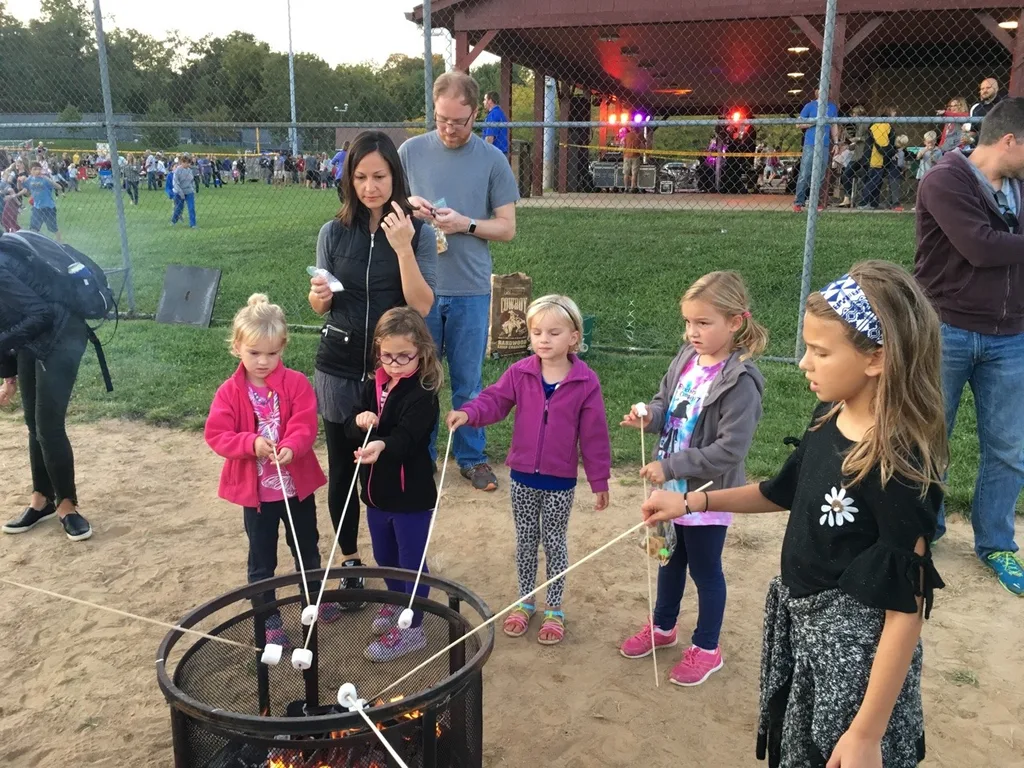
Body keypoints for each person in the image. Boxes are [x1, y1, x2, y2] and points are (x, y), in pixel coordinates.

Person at [642, 261, 947, 767]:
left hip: (855, 659)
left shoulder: (901, 462)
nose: (804, 363)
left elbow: (904, 611)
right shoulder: (830, 413)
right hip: (803, 629)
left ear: (877, 358)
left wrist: (868, 734)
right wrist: (692, 501)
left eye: (821, 352)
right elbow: (783, 490)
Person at [619, 272, 767, 685]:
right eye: (688, 322)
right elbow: (666, 403)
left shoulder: (742, 382)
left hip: (708, 495)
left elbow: (730, 451)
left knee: (704, 570)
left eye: (704, 323)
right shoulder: (686, 358)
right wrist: (648, 416)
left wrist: (672, 466)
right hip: (671, 490)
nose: (693, 332)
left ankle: (707, 647)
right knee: (668, 559)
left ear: (736, 321)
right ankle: (663, 628)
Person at [308, 131, 437, 606]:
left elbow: (422, 305)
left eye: (379, 176)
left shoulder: (417, 231)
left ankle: (408, 553)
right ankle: (351, 561)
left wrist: (403, 247)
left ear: (395, 176)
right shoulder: (333, 232)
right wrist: (318, 298)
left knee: (403, 458)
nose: (370, 187)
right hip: (341, 368)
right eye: (360, 177)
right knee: (345, 467)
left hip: (398, 370)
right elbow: (322, 301)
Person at [447, 295, 611, 645]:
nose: (543, 339)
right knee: (525, 541)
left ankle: (554, 608)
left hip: (560, 481)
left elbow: (595, 435)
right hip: (522, 476)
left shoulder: (586, 381)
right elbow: (494, 400)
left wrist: (599, 480)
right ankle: (525, 602)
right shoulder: (520, 372)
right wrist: (469, 414)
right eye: (537, 331)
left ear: (574, 337)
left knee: (554, 541)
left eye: (554, 332)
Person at [914, 97, 1024, 596]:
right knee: (929, 439)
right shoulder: (945, 179)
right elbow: (979, 246)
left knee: (1009, 447)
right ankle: (920, 531)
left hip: (1012, 334)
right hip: (947, 329)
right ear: (1009, 141)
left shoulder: (1020, 186)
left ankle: (997, 542)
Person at [400, 70, 520, 492]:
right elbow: (385, 208)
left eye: (460, 121)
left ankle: (471, 458)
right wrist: (408, 204)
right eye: (442, 120)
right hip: (422, 288)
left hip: (470, 288)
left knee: (468, 382)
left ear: (476, 116)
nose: (450, 129)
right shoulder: (410, 152)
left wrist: (466, 224)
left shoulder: (492, 160)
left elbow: (507, 228)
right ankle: (419, 454)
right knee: (419, 379)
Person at [204, 294, 342, 648]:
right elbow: (217, 435)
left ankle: (313, 599)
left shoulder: (296, 383)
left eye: (272, 353)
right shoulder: (229, 392)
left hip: (296, 489)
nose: (263, 361)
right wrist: (250, 444)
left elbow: (305, 424)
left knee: (307, 549)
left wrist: (292, 446)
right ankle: (268, 618)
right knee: (261, 558)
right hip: (257, 497)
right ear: (237, 348)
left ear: (283, 347)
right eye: (254, 353)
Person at [345, 307, 442, 661]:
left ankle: (412, 628)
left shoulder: (424, 393)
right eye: (387, 356)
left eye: (405, 356)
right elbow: (348, 426)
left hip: (410, 497)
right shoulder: (372, 384)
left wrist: (381, 444)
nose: (396, 363)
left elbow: (408, 437)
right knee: (385, 557)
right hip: (376, 495)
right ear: (378, 352)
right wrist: (359, 420)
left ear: (422, 352)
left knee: (410, 563)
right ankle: (396, 602)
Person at [0, 239, 93, 541]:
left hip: (62, 333)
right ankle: (42, 499)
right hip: (33, 336)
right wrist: (9, 376)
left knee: (48, 427)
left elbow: (41, 314)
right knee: (32, 424)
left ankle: (67, 505)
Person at [793, 89, 839, 212]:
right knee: (805, 173)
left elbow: (834, 125)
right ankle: (799, 202)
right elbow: (799, 124)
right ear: (817, 92)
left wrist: (836, 142)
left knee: (820, 175)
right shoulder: (810, 106)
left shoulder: (832, 107)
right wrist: (813, 123)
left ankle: (815, 201)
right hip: (810, 143)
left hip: (824, 144)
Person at [21, 162, 62, 242]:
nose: (37, 171)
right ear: (30, 171)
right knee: (34, 228)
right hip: (37, 208)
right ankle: (34, 243)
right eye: (35, 169)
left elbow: (59, 187)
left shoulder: (45, 179)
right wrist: (20, 181)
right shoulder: (29, 179)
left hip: (48, 207)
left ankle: (60, 243)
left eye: (39, 169)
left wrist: (49, 180)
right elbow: (24, 190)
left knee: (53, 228)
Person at [171, 154, 197, 228]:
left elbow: (192, 181)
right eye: (186, 162)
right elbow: (175, 183)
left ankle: (193, 224)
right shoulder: (177, 171)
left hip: (189, 192)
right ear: (182, 162)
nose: (188, 164)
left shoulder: (189, 171)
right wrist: (180, 192)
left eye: (189, 162)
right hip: (179, 192)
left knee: (191, 207)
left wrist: (192, 189)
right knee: (179, 208)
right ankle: (174, 220)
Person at [481, 91, 510, 156]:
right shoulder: (499, 112)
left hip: (495, 153)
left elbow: (489, 138)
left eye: (485, 99)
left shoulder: (493, 114)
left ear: (490, 101)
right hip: (500, 152)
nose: (483, 102)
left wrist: (483, 153)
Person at [622, 127, 644, 192]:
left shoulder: (627, 135)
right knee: (634, 173)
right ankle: (632, 187)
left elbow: (624, 145)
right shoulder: (640, 135)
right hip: (636, 155)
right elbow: (643, 144)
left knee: (626, 173)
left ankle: (626, 188)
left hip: (626, 155)